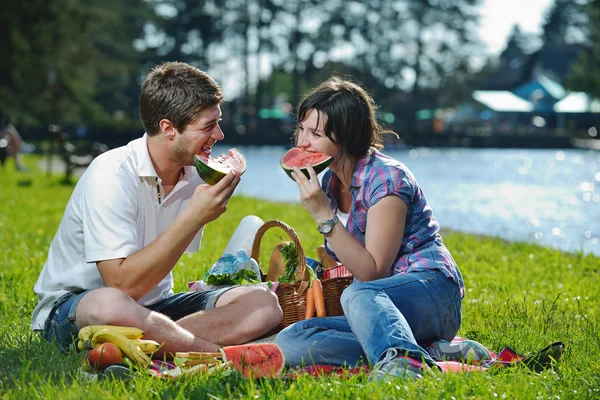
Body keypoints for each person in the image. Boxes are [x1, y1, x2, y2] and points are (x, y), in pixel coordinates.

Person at [31, 62, 283, 357]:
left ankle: (138, 346)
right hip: (77, 307)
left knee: (263, 304)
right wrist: (194, 217)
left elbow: (150, 282)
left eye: (218, 122)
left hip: (153, 308)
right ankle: (219, 357)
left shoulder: (192, 176)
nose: (220, 135)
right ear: (168, 129)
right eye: (207, 126)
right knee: (110, 304)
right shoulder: (111, 173)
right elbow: (122, 285)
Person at [274, 77, 465, 380]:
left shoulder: (387, 179)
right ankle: (426, 353)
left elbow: (373, 272)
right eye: (301, 129)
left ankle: (404, 369)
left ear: (346, 137)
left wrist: (323, 215)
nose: (301, 142)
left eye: (315, 133)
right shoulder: (330, 181)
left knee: (357, 295)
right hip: (377, 309)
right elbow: (349, 262)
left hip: (431, 292)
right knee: (292, 339)